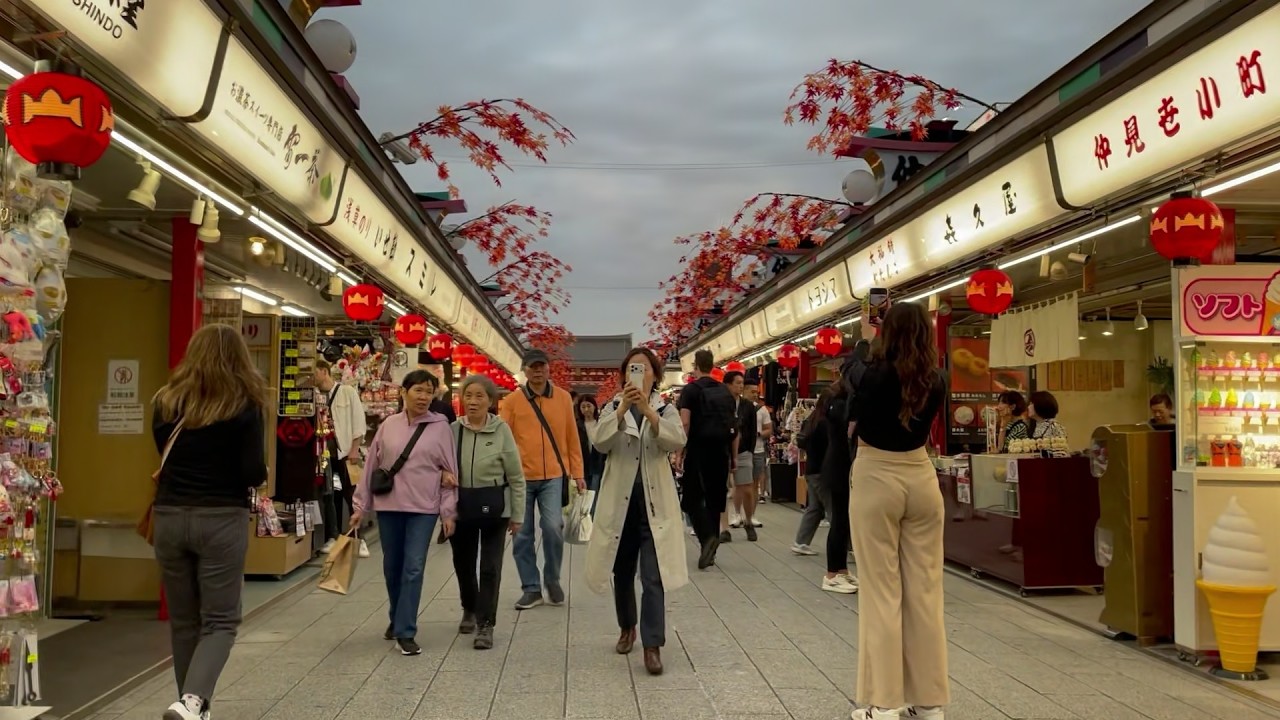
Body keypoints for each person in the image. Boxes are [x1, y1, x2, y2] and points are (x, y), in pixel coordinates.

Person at [151, 324, 268, 720]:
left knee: (184, 621)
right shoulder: (245, 404)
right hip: (220, 518)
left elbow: (164, 454)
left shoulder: (165, 401)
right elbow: (252, 471)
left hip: (169, 517)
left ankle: (191, 707)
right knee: (220, 621)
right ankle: (192, 702)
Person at [847, 302, 949, 720]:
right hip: (921, 478)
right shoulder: (937, 379)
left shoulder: (870, 373)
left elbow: (854, 373)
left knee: (882, 592)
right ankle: (928, 703)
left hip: (876, 477)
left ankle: (885, 703)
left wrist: (866, 337)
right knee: (924, 592)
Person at [587, 347, 688, 676]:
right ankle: (627, 627)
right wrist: (622, 410)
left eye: (644, 369)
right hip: (621, 503)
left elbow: (676, 441)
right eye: (633, 368)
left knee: (653, 575)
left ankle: (652, 645)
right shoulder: (612, 406)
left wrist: (648, 413)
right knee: (622, 571)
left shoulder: (665, 408)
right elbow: (600, 443)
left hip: (654, 503)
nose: (638, 374)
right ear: (623, 375)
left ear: (655, 375)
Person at [352, 370, 458, 656]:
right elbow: (372, 466)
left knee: (413, 567)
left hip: (424, 508)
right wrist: (360, 506)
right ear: (403, 392)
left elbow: (450, 473)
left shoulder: (441, 427)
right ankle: (397, 616)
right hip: (390, 506)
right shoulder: (388, 425)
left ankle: (406, 631)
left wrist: (448, 512)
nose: (423, 397)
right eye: (418, 390)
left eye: (429, 392)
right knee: (392, 567)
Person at [500, 349, 585, 610]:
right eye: (532, 367)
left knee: (553, 527)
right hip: (521, 477)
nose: (538, 371)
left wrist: (578, 473)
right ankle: (531, 588)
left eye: (542, 366)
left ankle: (552, 578)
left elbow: (572, 436)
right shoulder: (512, 401)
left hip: (553, 476)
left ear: (549, 369)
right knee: (521, 534)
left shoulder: (563, 398)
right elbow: (504, 440)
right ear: (525, 371)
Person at [450, 374, 525, 650]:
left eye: (479, 396)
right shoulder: (453, 430)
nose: (472, 401)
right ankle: (469, 607)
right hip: (462, 506)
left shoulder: (501, 430)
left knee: (490, 567)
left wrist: (517, 515)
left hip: (495, 508)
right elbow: (442, 469)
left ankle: (486, 624)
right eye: (468, 395)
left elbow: (516, 477)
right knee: (463, 563)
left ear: (491, 401)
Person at [676, 349, 736, 569]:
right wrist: (733, 457)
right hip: (721, 450)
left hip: (698, 449)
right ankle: (710, 549)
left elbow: (685, 423)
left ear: (696, 366)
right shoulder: (725, 391)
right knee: (714, 500)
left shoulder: (691, 390)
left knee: (691, 499)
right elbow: (734, 427)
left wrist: (679, 451)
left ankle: (707, 539)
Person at [314, 358, 370, 558]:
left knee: (351, 495)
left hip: (345, 453)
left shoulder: (347, 392)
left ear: (324, 371)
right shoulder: (314, 396)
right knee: (331, 494)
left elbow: (359, 423)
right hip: (325, 455)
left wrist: (354, 449)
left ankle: (359, 539)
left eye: (314, 372)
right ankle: (333, 536)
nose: (312, 377)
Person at [820, 351, 862, 594]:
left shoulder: (839, 398)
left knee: (844, 520)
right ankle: (832, 573)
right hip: (839, 466)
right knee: (839, 520)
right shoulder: (839, 401)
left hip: (840, 465)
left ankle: (842, 570)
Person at [792, 388, 832, 556]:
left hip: (811, 469)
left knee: (815, 508)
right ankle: (847, 546)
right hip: (823, 470)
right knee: (833, 509)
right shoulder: (826, 423)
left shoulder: (811, 419)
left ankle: (801, 541)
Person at [721, 371, 758, 542]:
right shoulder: (720, 404)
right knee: (721, 490)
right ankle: (724, 528)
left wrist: (750, 449)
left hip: (743, 452)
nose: (741, 386)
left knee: (747, 489)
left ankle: (748, 521)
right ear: (728, 384)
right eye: (737, 383)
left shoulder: (747, 406)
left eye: (742, 383)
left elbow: (752, 429)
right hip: (723, 451)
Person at [577, 395, 607, 506]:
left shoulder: (601, 423)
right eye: (583, 407)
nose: (586, 409)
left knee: (594, 494)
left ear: (594, 406)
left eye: (588, 406)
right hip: (583, 465)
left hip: (598, 464)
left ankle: (593, 515)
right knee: (583, 495)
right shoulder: (577, 425)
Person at [752, 391, 773, 504]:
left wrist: (759, 434)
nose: (754, 395)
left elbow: (769, 429)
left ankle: (761, 494)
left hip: (759, 448)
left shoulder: (762, 410)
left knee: (760, 472)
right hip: (743, 449)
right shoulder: (737, 407)